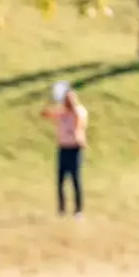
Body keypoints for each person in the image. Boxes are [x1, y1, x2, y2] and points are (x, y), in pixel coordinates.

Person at [41, 82, 88, 218]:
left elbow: (78, 119)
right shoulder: (61, 113)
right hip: (63, 148)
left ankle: (78, 210)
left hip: (74, 149)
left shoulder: (79, 111)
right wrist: (51, 100)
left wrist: (70, 102)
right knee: (60, 181)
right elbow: (44, 113)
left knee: (75, 180)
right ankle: (61, 209)